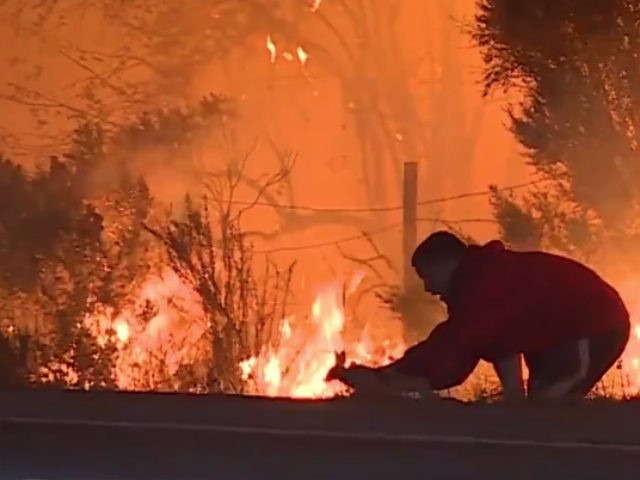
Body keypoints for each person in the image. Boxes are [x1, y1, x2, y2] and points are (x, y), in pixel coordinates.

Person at [327, 231, 631, 401]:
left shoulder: (485, 285)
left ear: (445, 264)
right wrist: (388, 376)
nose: (428, 288)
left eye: (426, 276)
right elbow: (476, 343)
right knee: (537, 412)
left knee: (546, 410)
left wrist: (386, 379)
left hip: (596, 324)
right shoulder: (480, 283)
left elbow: (467, 347)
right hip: (565, 334)